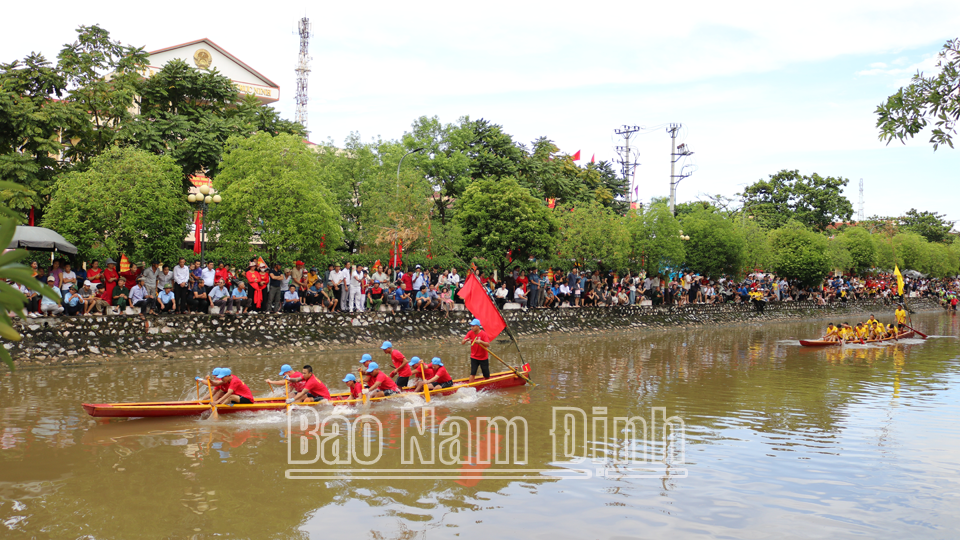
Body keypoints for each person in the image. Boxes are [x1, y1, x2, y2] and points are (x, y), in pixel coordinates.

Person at [463, 318, 491, 383]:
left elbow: (488, 344)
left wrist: (481, 342)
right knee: (473, 372)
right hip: (474, 357)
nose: (472, 327)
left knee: (486, 374)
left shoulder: (483, 334)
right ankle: (470, 386)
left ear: (478, 326)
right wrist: (465, 340)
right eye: (471, 326)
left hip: (483, 357)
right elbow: (462, 342)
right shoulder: (470, 333)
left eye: (473, 326)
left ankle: (488, 384)